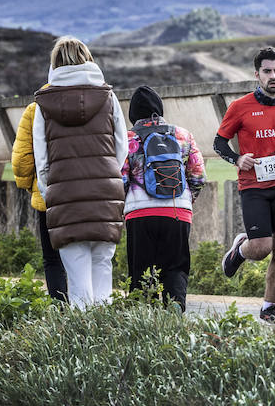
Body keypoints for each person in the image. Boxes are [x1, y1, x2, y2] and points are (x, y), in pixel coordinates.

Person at [215, 46, 275, 326]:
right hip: (254, 186)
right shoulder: (240, 107)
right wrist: (237, 158)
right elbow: (218, 143)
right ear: (256, 74)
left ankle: (269, 307)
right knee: (261, 248)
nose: (273, 76)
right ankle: (240, 249)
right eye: (267, 71)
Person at [31, 36, 128, 309]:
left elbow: (42, 157)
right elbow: (121, 147)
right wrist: (108, 174)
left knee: (76, 274)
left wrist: (48, 189)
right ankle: (104, 331)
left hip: (64, 193)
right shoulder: (107, 96)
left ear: (55, 64)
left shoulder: (44, 103)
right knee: (103, 264)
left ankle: (81, 335)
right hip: (105, 192)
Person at [121, 85, 207, 310]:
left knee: (141, 272)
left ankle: (145, 324)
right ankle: (175, 313)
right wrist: (186, 201)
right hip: (177, 212)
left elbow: (119, 180)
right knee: (176, 268)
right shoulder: (183, 135)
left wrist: (125, 205)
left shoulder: (127, 138)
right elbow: (198, 177)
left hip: (139, 214)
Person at [12, 88, 67, 303]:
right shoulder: (96, 100)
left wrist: (28, 185)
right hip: (87, 194)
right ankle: (89, 310)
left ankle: (60, 308)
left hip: (48, 195)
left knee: (52, 259)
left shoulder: (35, 109)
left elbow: (21, 159)